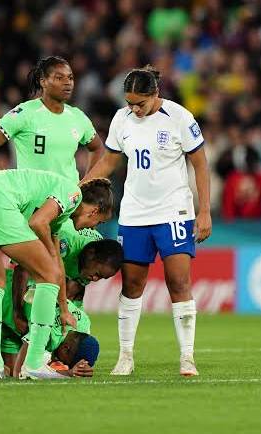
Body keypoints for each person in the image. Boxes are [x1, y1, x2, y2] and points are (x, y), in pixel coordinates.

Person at [83, 65, 212, 376]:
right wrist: (79, 190)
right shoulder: (121, 119)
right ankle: (125, 356)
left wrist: (204, 210)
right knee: (132, 284)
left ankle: (187, 358)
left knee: (179, 282)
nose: (134, 109)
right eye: (129, 103)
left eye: (139, 103)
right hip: (135, 214)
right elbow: (110, 161)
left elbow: (200, 163)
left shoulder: (180, 118)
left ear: (156, 94)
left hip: (173, 212)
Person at [0, 169, 113, 379]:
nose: (94, 227)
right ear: (95, 210)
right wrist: (49, 256)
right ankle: (34, 363)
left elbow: (58, 266)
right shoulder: (73, 193)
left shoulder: (60, 218)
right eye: (99, 222)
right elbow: (37, 222)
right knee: (47, 276)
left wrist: (63, 307)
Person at [0, 237, 123, 378]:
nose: (60, 363)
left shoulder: (82, 325)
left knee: (5, 370)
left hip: (14, 316)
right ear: (65, 349)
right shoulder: (44, 324)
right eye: (64, 361)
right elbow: (23, 371)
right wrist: (66, 374)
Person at [0, 56, 103, 182]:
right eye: (59, 78)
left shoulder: (77, 116)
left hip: (69, 202)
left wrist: (87, 183)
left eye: (70, 78)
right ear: (43, 81)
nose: (67, 83)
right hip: (33, 202)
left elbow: (97, 148)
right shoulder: (24, 113)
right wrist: (6, 181)